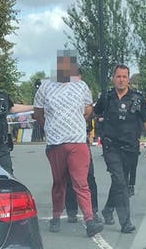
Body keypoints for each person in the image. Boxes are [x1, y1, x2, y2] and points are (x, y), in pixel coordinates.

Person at [33, 73, 103, 237]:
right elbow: (38, 112)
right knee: (59, 182)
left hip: (77, 142)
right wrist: (49, 126)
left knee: (81, 183)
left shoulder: (82, 86)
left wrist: (77, 124)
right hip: (55, 142)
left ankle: (89, 220)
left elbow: (88, 109)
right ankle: (56, 216)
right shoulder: (45, 88)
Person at [95, 64, 146, 233]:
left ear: (128, 78)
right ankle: (126, 222)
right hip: (111, 146)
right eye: (118, 76)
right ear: (113, 78)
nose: (121, 80)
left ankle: (108, 209)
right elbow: (94, 113)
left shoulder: (138, 98)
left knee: (120, 181)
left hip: (130, 147)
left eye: (124, 76)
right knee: (120, 182)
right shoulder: (106, 98)